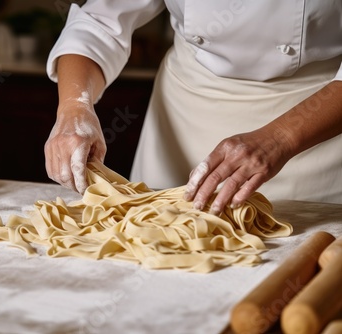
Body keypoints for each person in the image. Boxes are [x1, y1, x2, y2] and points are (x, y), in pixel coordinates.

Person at [43, 0, 342, 215]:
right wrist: (74, 107)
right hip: (188, 113)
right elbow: (101, 22)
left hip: (317, 123)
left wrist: (282, 138)